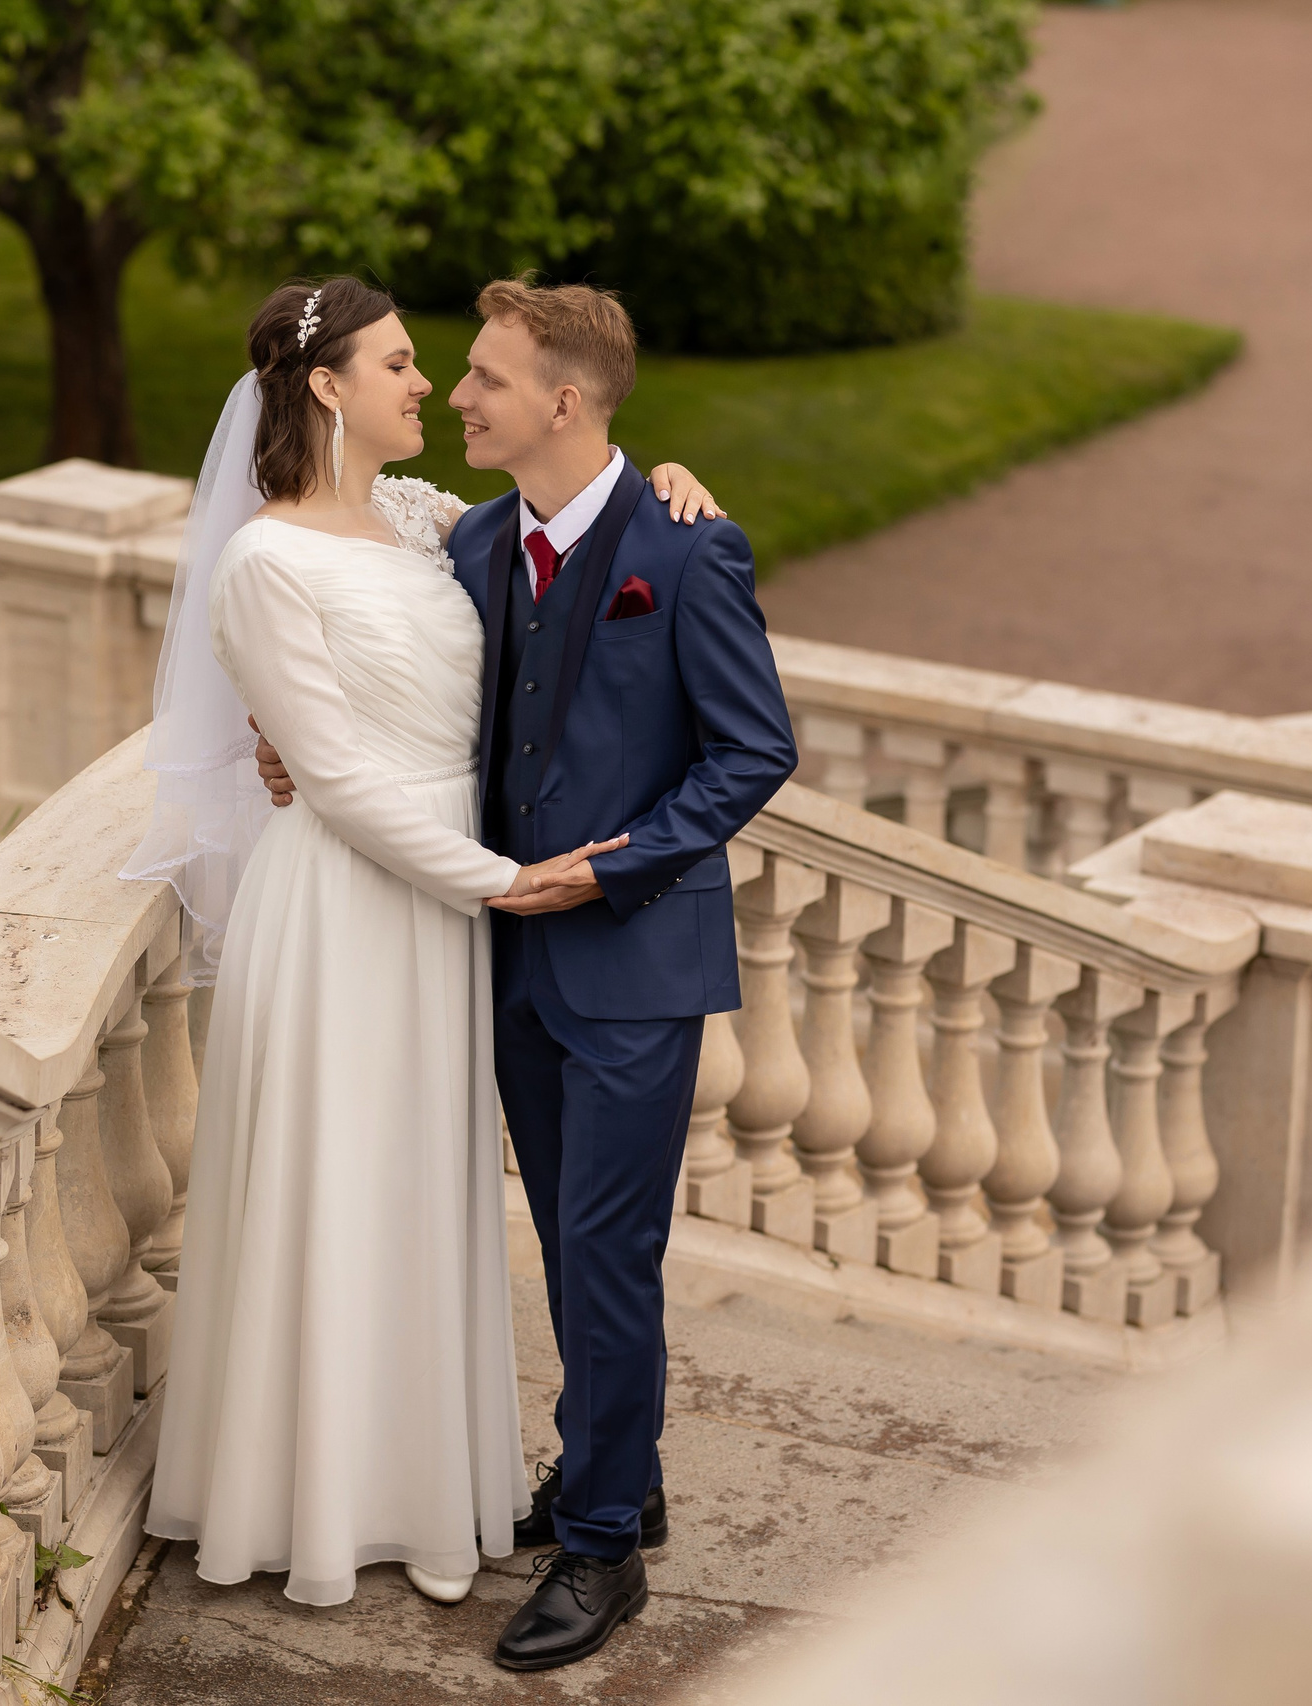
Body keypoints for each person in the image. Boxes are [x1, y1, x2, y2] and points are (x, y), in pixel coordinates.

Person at [128, 276, 729, 1616]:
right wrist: (506, 881)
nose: (436, 389)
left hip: (484, 917)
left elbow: (585, 544)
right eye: (406, 366)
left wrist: (673, 484)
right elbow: (336, 767)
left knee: (474, 1208)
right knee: (346, 1187)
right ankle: (345, 1494)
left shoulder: (426, 525)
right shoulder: (269, 558)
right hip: (372, 906)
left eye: (456, 372)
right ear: (327, 386)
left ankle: (564, 1495)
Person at [250, 277, 799, 1671]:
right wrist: (290, 744)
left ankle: (605, 1543)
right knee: (569, 1241)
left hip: (632, 967)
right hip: (504, 963)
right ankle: (632, 1467)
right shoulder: (475, 539)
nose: (458, 395)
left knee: (609, 1253)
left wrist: (613, 866)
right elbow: (383, 665)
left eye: (485, 377)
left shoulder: (685, 549)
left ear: (564, 399)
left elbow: (751, 753)